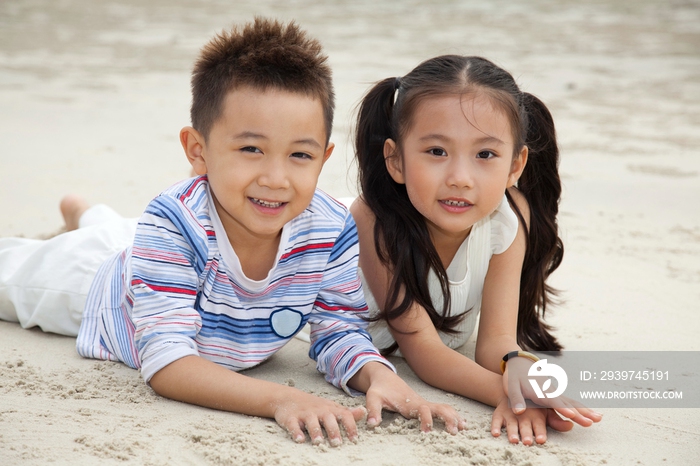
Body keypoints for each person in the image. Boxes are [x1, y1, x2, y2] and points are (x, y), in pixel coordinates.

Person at [0, 18, 464, 446]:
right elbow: (167, 364)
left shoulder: (329, 227)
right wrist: (280, 398)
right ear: (197, 150)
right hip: (91, 286)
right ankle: (84, 219)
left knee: (123, 232)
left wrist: (380, 376)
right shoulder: (172, 222)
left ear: (323, 159)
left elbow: (338, 329)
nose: (276, 178)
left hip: (152, 249)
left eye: (299, 156)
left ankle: (85, 211)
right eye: (250, 148)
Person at [350, 55, 603, 446]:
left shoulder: (508, 215)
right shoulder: (370, 218)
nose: (460, 179)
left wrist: (520, 369)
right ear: (396, 160)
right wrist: (506, 396)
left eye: (485, 155)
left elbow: (495, 343)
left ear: (516, 165)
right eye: (436, 151)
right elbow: (424, 353)